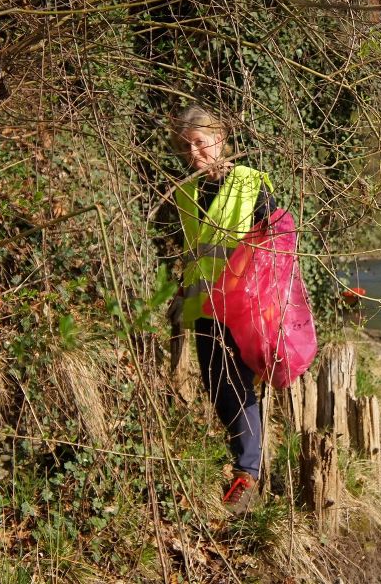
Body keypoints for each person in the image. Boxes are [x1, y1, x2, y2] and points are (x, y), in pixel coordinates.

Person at [168, 104, 275, 516]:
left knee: (239, 381)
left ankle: (248, 470)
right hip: (204, 303)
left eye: (200, 142)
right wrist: (180, 292)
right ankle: (243, 461)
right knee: (216, 384)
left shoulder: (251, 183)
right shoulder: (185, 190)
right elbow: (193, 249)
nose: (195, 152)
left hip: (244, 305)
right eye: (187, 145)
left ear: (220, 138)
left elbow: (274, 246)